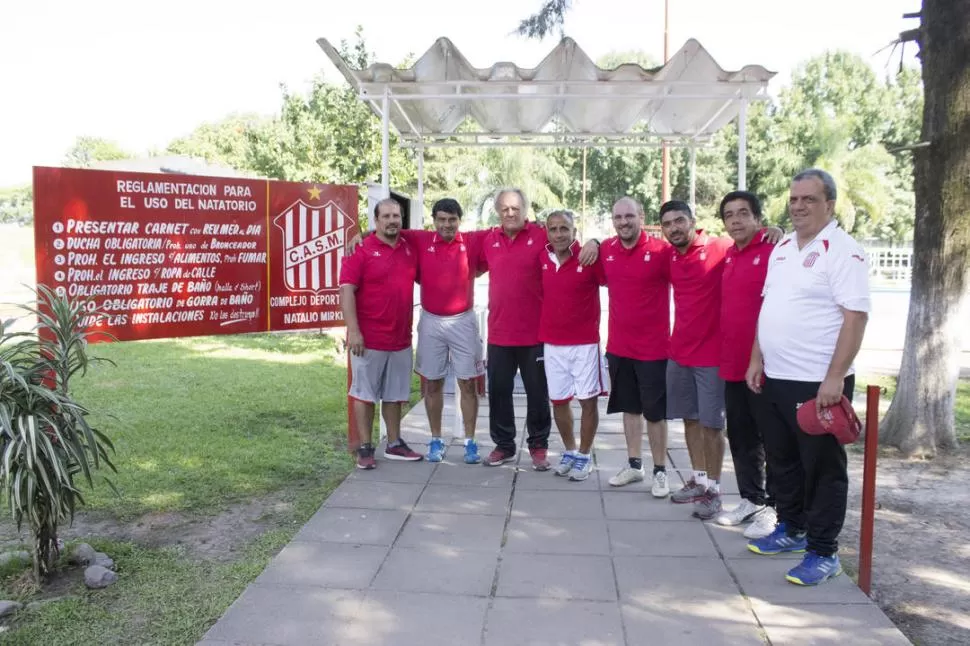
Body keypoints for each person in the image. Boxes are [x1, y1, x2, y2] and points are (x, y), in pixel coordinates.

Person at [746, 168, 870, 586]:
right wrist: (756, 359)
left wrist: (834, 379)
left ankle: (823, 551)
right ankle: (792, 529)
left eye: (809, 200)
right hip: (775, 377)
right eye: (794, 199)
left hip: (817, 384)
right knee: (783, 463)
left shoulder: (843, 251)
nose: (798, 206)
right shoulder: (782, 248)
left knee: (822, 471)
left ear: (829, 205)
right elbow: (769, 308)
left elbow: (855, 317)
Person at [480, 189, 599, 469]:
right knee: (498, 392)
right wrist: (365, 235)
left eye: (515, 208)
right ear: (498, 211)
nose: (510, 213)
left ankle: (538, 446)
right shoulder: (487, 239)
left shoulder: (541, 234)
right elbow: (455, 242)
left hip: (535, 335)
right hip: (499, 332)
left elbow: (569, 238)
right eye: (505, 209)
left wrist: (594, 241)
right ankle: (504, 445)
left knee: (538, 394)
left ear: (526, 210)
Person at [661, 200, 733, 518]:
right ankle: (699, 480)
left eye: (680, 221)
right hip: (680, 353)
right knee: (689, 419)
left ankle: (715, 491)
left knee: (712, 426)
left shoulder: (720, 246)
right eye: (668, 224)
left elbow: (750, 242)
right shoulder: (669, 257)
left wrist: (773, 232)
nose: (674, 228)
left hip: (712, 356)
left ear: (693, 221)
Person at [340, 198, 423, 469]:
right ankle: (365, 448)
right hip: (368, 339)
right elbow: (346, 290)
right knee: (365, 393)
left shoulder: (409, 249)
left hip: (399, 339)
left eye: (396, 216)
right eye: (386, 216)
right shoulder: (360, 249)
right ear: (375, 221)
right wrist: (353, 331)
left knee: (394, 394)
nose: (392, 221)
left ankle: (395, 443)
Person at [714, 191, 777, 539]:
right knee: (741, 437)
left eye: (743, 214)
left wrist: (777, 232)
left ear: (758, 218)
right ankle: (750, 499)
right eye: (729, 215)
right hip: (732, 364)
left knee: (773, 440)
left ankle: (776, 508)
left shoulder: (774, 251)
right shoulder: (729, 256)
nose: (736, 220)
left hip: (766, 365)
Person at [601, 197, 673, 497]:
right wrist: (591, 241)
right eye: (618, 217)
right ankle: (634, 465)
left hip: (654, 349)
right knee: (629, 409)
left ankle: (660, 471)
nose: (623, 222)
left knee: (655, 413)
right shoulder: (605, 250)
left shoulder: (661, 251)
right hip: (619, 346)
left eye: (629, 216)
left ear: (641, 217)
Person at [408, 198, 487, 464]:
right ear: (434, 220)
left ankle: (470, 442)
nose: (446, 225)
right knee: (432, 383)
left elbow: (506, 230)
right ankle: (436, 440)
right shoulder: (420, 240)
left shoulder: (472, 241)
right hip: (431, 321)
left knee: (468, 382)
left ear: (459, 221)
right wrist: (359, 236)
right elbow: (387, 231)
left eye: (452, 219)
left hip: (463, 320)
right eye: (441, 219)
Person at [539, 210, 607, 481]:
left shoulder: (588, 257)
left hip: (584, 345)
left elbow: (613, 265)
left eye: (564, 228)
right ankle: (569, 450)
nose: (558, 234)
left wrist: (597, 242)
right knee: (558, 401)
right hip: (552, 344)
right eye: (553, 229)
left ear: (574, 231)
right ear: (547, 232)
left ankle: (584, 454)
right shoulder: (542, 257)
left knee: (587, 402)